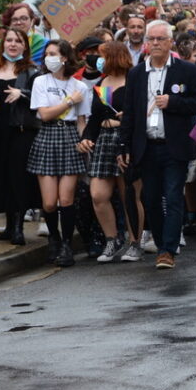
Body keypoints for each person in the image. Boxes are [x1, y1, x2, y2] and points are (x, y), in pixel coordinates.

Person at [118, 20, 196, 270]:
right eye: (151, 39)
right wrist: (124, 146)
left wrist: (173, 102)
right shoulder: (136, 73)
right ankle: (159, 242)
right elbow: (130, 112)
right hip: (146, 146)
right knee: (151, 198)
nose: (155, 43)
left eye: (160, 39)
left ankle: (167, 250)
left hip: (174, 145)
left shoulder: (186, 70)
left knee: (174, 196)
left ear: (170, 42)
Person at [28, 40, 91, 267]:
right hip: (47, 136)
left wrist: (84, 141)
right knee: (48, 203)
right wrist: (69, 101)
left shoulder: (80, 86)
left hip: (70, 138)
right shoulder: (40, 81)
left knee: (66, 199)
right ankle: (53, 238)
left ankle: (66, 244)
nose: (49, 58)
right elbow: (44, 114)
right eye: (46, 54)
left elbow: (81, 121)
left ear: (64, 57)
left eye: (53, 53)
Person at [78, 41, 141, 263]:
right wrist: (86, 138)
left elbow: (143, 112)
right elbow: (95, 118)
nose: (98, 59)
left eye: (102, 55)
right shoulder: (101, 82)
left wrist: (129, 119)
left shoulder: (134, 80)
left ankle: (134, 242)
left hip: (125, 140)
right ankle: (112, 239)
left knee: (129, 196)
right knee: (98, 195)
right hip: (104, 141)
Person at [0, 27, 40, 246]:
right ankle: (8, 224)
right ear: (2, 44)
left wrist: (22, 94)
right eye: (9, 40)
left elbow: (41, 98)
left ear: (25, 46)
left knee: (19, 177)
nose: (13, 44)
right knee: (3, 175)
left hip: (21, 131)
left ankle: (18, 227)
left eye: (18, 41)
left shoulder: (32, 72)